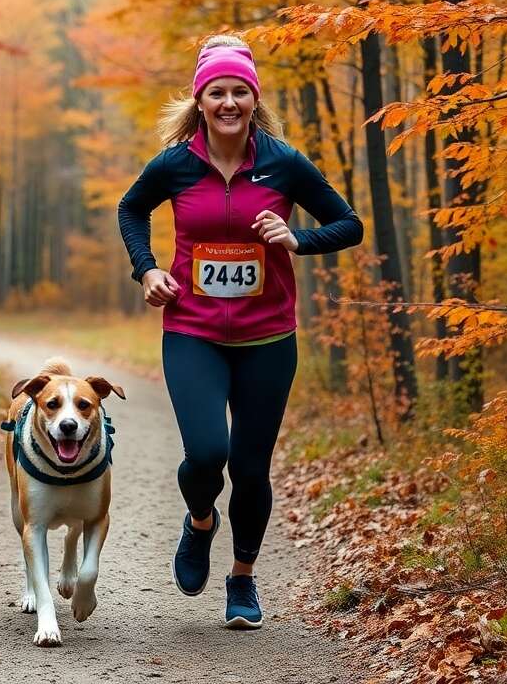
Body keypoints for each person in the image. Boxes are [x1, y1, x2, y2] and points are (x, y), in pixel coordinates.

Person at [116, 35, 363, 629]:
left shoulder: (284, 161)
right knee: (206, 454)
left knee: (251, 469)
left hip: (268, 337)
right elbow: (130, 209)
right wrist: (147, 269)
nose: (229, 102)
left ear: (254, 99)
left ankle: (243, 580)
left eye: (240, 92)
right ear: (200, 101)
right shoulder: (175, 164)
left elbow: (349, 224)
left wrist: (296, 238)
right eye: (217, 92)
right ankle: (200, 520)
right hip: (193, 331)